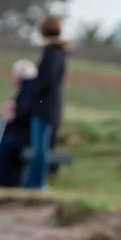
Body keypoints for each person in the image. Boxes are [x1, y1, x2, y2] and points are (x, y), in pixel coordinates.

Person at [21, 16, 68, 190]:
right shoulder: (59, 52)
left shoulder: (52, 53)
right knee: (42, 147)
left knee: (41, 148)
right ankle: (34, 181)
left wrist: (28, 85)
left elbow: (46, 80)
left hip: (45, 107)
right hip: (51, 107)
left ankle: (36, 182)